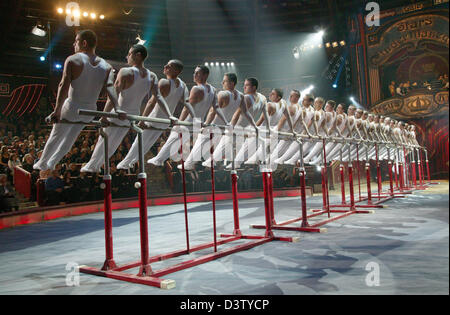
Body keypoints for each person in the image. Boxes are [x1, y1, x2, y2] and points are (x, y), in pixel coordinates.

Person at [33, 29, 121, 172]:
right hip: (91, 110)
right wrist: (117, 108)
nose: (74, 44)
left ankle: (42, 163)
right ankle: (52, 163)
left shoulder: (73, 60)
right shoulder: (107, 66)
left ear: (84, 43)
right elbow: (110, 89)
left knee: (57, 135)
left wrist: (57, 111)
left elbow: (63, 85)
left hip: (73, 106)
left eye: (76, 41)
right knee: (71, 138)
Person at [81, 45, 176, 173]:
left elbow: (112, 96)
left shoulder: (125, 72)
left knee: (104, 140)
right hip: (132, 116)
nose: (127, 56)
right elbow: (159, 98)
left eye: (129, 54)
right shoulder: (152, 76)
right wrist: (170, 115)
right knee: (114, 143)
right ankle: (97, 165)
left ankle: (93, 165)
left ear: (138, 55)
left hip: (118, 112)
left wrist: (104, 116)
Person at [117, 59, 193, 170]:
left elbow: (151, 102)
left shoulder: (164, 82)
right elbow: (186, 103)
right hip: (164, 122)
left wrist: (142, 120)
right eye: (166, 64)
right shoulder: (183, 85)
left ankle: (125, 163)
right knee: (147, 145)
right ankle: (131, 162)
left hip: (154, 119)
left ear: (176, 71)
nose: (165, 66)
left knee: (140, 142)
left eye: (169, 66)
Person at [147, 65, 218, 167]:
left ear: (205, 75)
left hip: (188, 121)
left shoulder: (196, 88)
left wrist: (179, 122)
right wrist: (206, 123)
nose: (194, 75)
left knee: (173, 140)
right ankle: (168, 160)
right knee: (178, 142)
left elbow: (187, 107)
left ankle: (159, 159)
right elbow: (214, 109)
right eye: (194, 72)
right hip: (199, 122)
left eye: (197, 73)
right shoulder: (213, 90)